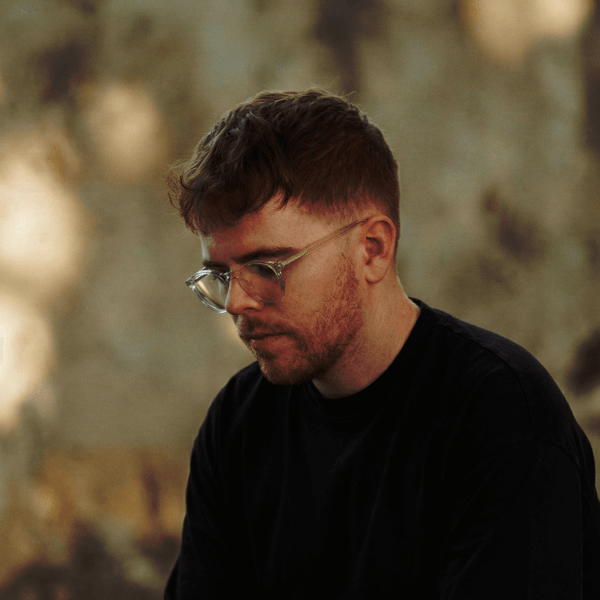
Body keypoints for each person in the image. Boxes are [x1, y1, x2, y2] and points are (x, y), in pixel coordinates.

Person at [164, 89, 600, 599]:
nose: (238, 302)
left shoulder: (500, 418)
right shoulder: (239, 422)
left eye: (265, 267)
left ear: (372, 249)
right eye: (220, 274)